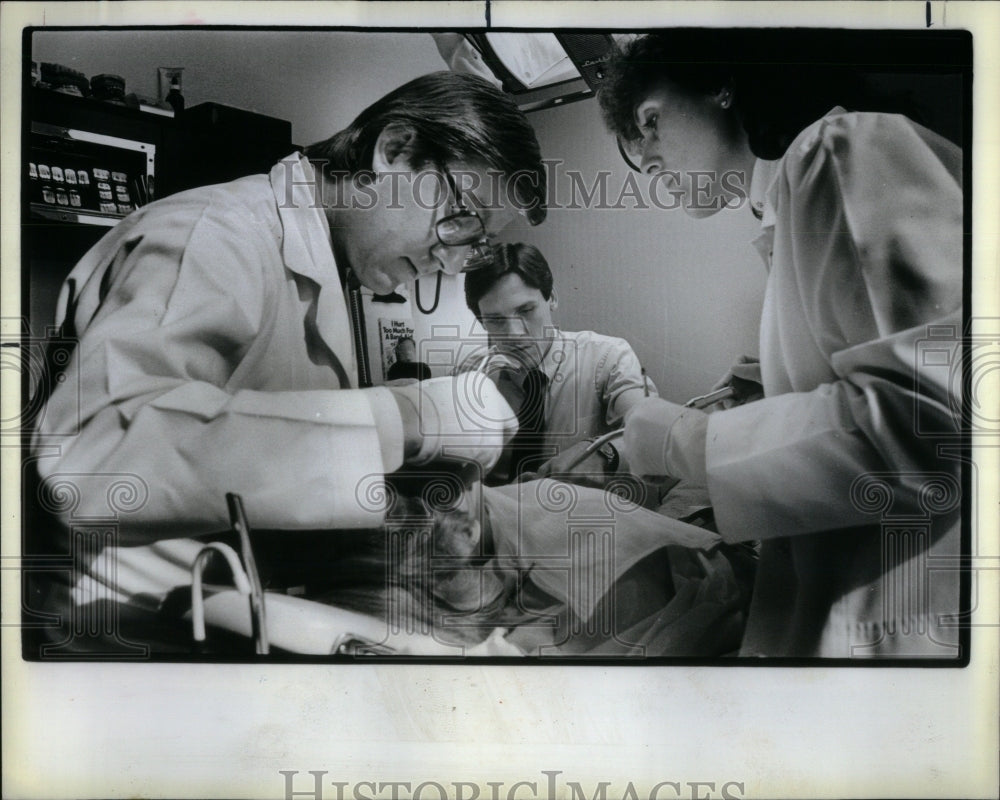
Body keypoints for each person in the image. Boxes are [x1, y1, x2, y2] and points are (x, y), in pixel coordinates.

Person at [27, 71, 547, 654]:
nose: (453, 263)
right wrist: (405, 417)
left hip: (227, 608)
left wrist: (408, 493)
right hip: (114, 629)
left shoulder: (330, 264)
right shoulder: (216, 235)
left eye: (476, 243)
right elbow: (97, 460)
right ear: (394, 149)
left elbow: (263, 456)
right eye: (461, 217)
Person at [598, 31, 963, 658]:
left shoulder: (841, 148)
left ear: (720, 82)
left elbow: (935, 427)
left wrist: (683, 440)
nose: (644, 157)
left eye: (650, 122)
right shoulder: (790, 204)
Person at [460, 242, 656, 487]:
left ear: (551, 298)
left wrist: (603, 453)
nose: (514, 333)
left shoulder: (608, 356)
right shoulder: (472, 374)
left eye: (525, 310)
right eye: (495, 320)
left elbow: (649, 431)